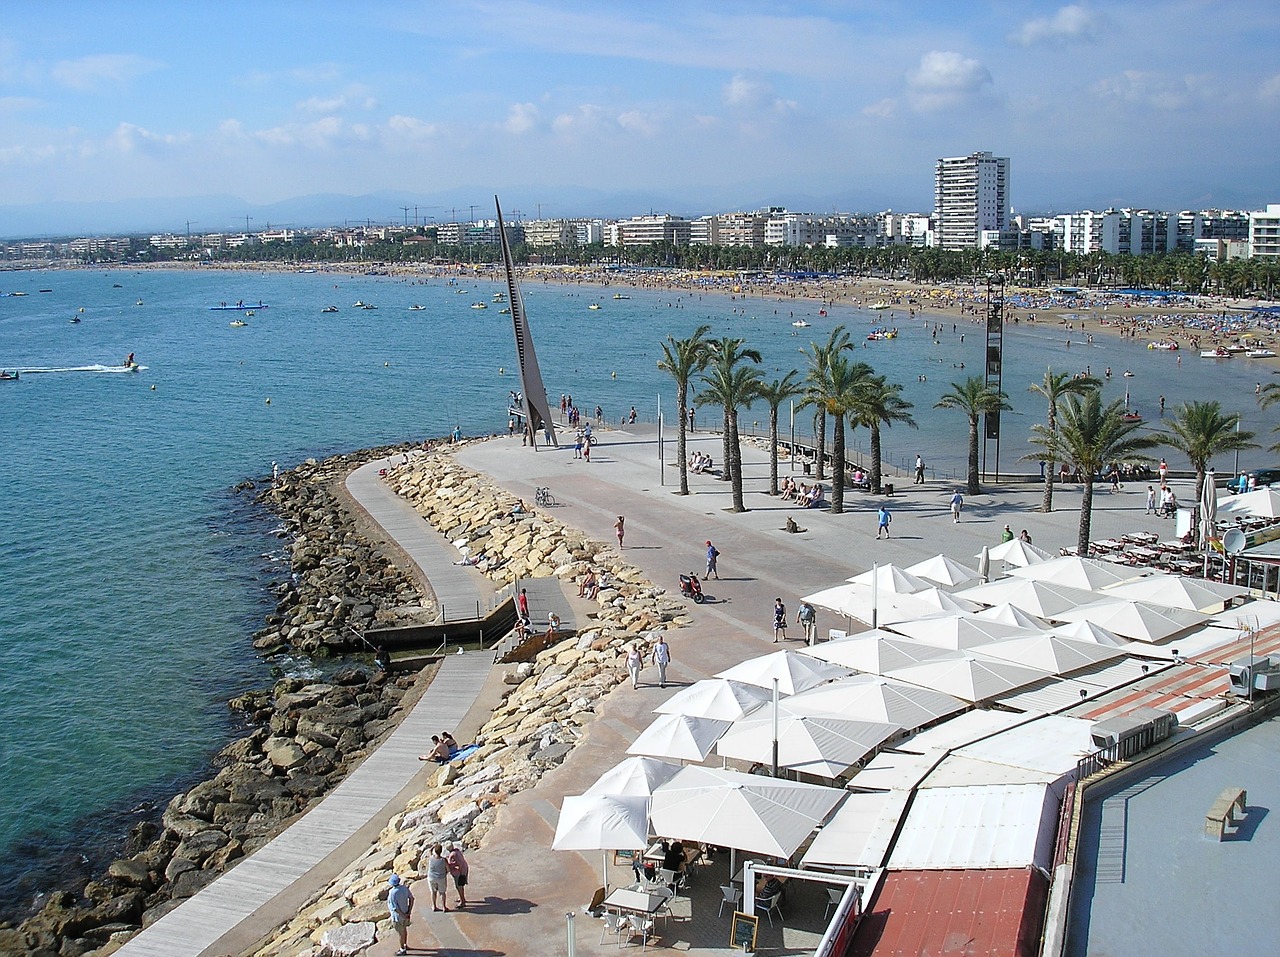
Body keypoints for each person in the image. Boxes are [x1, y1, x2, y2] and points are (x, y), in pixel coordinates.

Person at [387, 874, 414, 955]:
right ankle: (405, 945)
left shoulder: (392, 893)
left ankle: (402, 949)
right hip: (406, 913)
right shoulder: (404, 888)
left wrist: (402, 915)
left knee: (400, 934)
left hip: (397, 917)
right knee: (404, 931)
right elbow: (412, 899)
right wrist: (409, 912)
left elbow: (395, 908)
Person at [446, 843, 470, 908]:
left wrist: (446, 863)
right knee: (461, 886)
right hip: (464, 869)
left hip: (459, 872)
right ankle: (462, 898)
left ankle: (462, 902)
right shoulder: (457, 851)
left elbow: (453, 864)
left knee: (459, 886)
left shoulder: (452, 855)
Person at [426, 844, 450, 912]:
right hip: (441, 878)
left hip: (431, 877)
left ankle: (434, 906)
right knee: (442, 893)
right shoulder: (443, 860)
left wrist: (433, 846)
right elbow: (448, 869)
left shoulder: (431, 858)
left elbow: (429, 851)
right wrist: (445, 873)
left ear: (435, 851)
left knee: (433, 892)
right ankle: (444, 907)